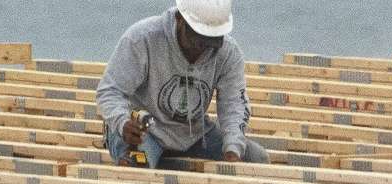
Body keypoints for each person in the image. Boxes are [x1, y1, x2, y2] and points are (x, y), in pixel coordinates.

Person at [97, 0, 270, 169]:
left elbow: (234, 104)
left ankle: (163, 163)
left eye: (210, 43)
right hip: (145, 132)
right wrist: (122, 122)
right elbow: (110, 91)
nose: (201, 49)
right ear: (180, 19)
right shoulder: (142, 38)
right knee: (137, 168)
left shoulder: (227, 52)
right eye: (198, 41)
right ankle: (144, 158)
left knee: (256, 159)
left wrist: (233, 151)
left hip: (193, 135)